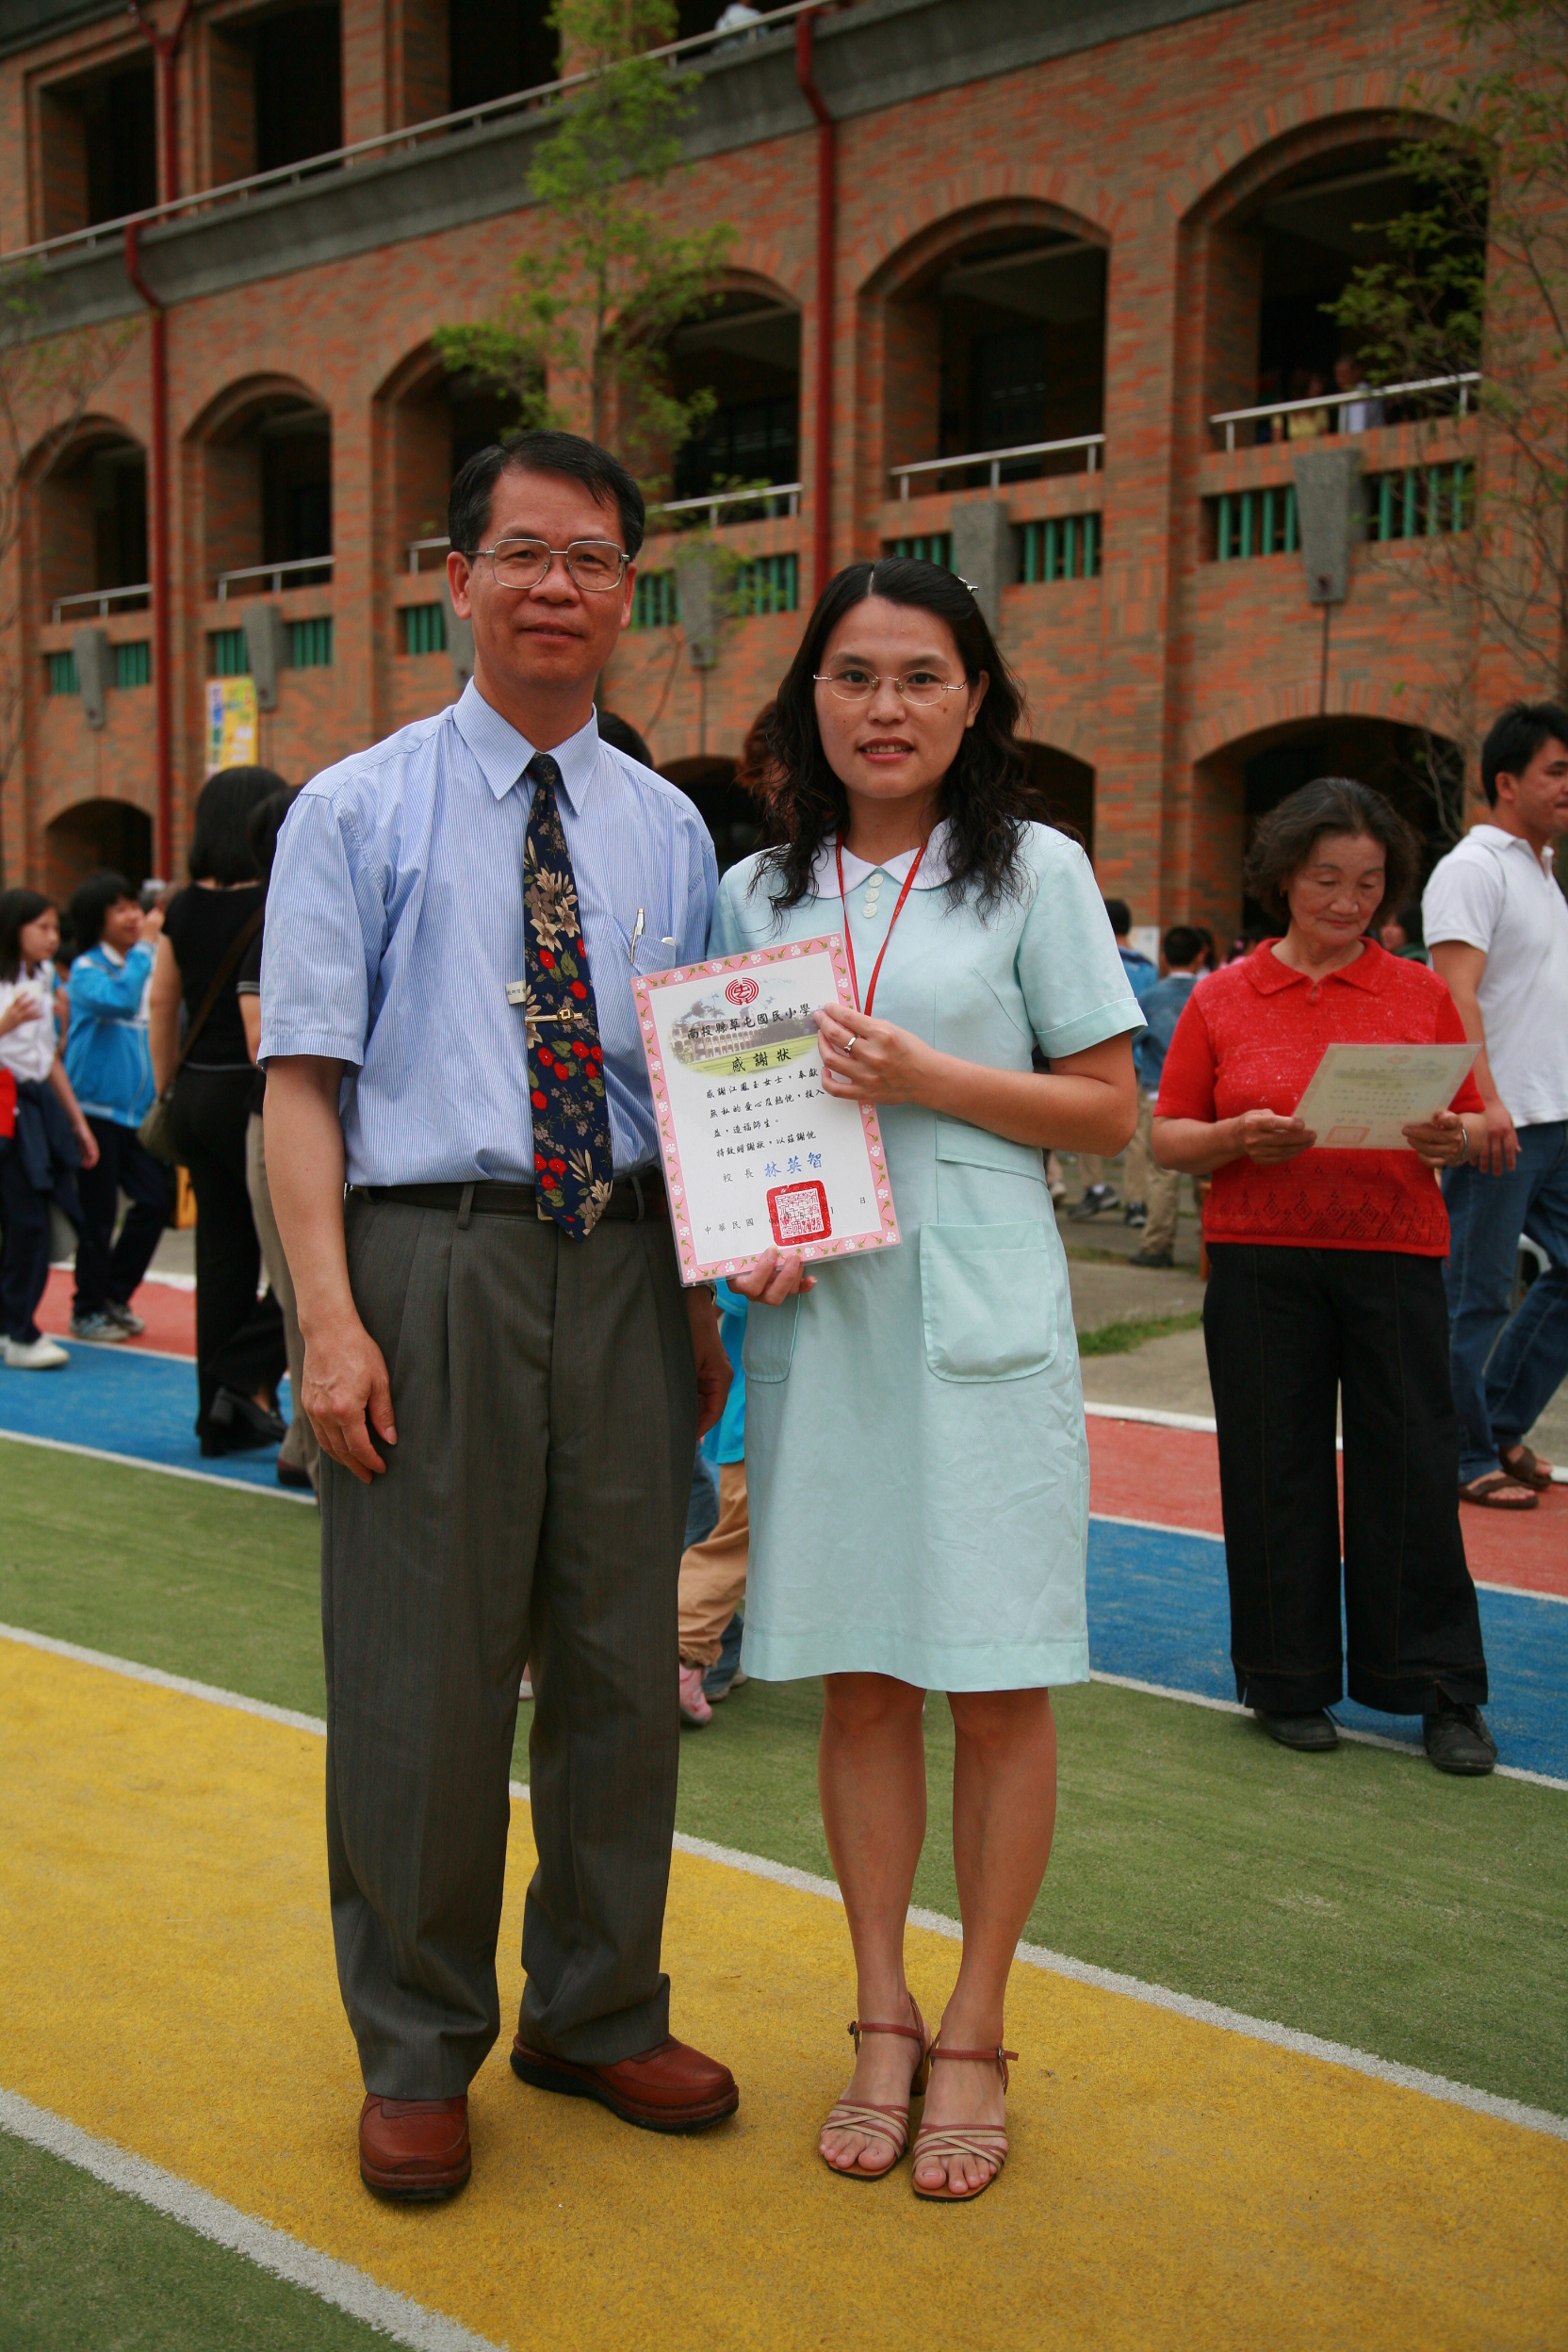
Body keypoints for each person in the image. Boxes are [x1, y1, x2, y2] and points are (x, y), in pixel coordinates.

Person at [260, 428, 736, 2203]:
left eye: (591, 559)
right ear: (456, 578)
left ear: (627, 590)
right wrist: (327, 1320)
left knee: (623, 1664)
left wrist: (697, 1299)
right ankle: (415, 2043)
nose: (557, 587)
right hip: (427, 1261)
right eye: (523, 553)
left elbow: (689, 1087)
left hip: (625, 1266)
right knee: (423, 1682)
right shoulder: (354, 808)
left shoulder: (669, 827)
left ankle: (596, 2010)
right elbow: (298, 1087)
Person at [713, 556, 1142, 2200]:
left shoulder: (1035, 870)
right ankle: (880, 2009)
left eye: (917, 677)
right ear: (807, 698)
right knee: (861, 1681)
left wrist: (928, 1074)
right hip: (822, 1318)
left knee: (997, 1682)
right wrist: (744, 1241)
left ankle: (975, 2024)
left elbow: (1106, 1109)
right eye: (852, 676)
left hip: (974, 1313)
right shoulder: (755, 893)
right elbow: (737, 1119)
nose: (882, 708)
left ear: (973, 701)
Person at [1152, 776, 1496, 1775]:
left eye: (1369, 883)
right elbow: (1168, 1137)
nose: (1348, 901)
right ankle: (1285, 1677)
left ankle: (1439, 1686)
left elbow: (1473, 1117)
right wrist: (1235, 1136)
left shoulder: (1420, 994)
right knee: (1273, 1466)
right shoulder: (1219, 996)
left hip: (1394, 1254)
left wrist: (1453, 1133)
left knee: (1412, 1467)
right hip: (1258, 1258)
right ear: (1281, 879)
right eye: (1325, 879)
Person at [1423, 701, 1568, 1509]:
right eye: (1558, 770)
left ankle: (1498, 1421)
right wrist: (1482, 1100)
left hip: (1556, 1116)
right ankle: (1458, 1452)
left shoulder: (1541, 871)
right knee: (1474, 1294)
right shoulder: (1474, 868)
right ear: (1506, 782)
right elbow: (1456, 993)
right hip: (1499, 1121)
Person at [151, 768, 288, 1455]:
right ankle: (243, 1376)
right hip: (254, 1095)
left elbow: (161, 999)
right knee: (297, 1257)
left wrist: (164, 1088)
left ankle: (219, 1415)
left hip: (194, 1094)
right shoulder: (274, 898)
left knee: (223, 1257)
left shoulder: (182, 907)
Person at [234, 787, 318, 1494]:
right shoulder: (276, 925)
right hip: (286, 1128)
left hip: (320, 1129)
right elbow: (264, 1045)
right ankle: (319, 1460)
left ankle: (300, 1446)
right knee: (303, 1297)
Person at [63, 872, 171, 1344]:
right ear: (97, 917)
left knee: (155, 1202)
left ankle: (113, 1295)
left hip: (137, 1115)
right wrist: (146, 947)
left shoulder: (140, 965)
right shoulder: (88, 969)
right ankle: (86, 1309)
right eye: (121, 908)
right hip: (95, 1113)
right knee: (99, 1215)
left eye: (135, 906)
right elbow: (122, 1002)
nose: (134, 916)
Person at [0, 890, 98, 1369]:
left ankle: (14, 1325)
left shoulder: (42, 978)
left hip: (35, 1108)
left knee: (39, 1219)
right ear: (13, 928)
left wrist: (77, 1122)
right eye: (41, 927)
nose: (52, 937)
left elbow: (47, 1060)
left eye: (55, 927)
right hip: (6, 1106)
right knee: (26, 1222)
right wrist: (5, 1023)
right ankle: (18, 1330)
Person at [678, 1277, 748, 1725]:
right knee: (734, 1543)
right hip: (757, 1420)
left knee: (730, 1537)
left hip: (739, 1418)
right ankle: (682, 1651)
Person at [1070, 897, 1157, 1220]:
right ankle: (1136, 1202)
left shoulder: (1095, 958)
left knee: (1082, 1122)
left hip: (1096, 1054)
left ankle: (1095, 1187)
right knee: (1137, 1132)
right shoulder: (1148, 967)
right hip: (1136, 1057)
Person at [1123, 924, 1206, 1268]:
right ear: (1200, 957)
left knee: (1161, 1174)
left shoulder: (1151, 998)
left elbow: (1129, 1042)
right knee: (1208, 1175)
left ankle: (1157, 1245)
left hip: (1159, 1094)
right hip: (1206, 1101)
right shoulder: (1211, 993)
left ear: (1164, 958)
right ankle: (1213, 1247)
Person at [1333, 354, 1385, 434]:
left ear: (1357, 372)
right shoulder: (1347, 393)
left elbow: (1357, 430)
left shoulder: (1361, 392)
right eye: (1337, 375)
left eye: (1343, 374)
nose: (1339, 380)